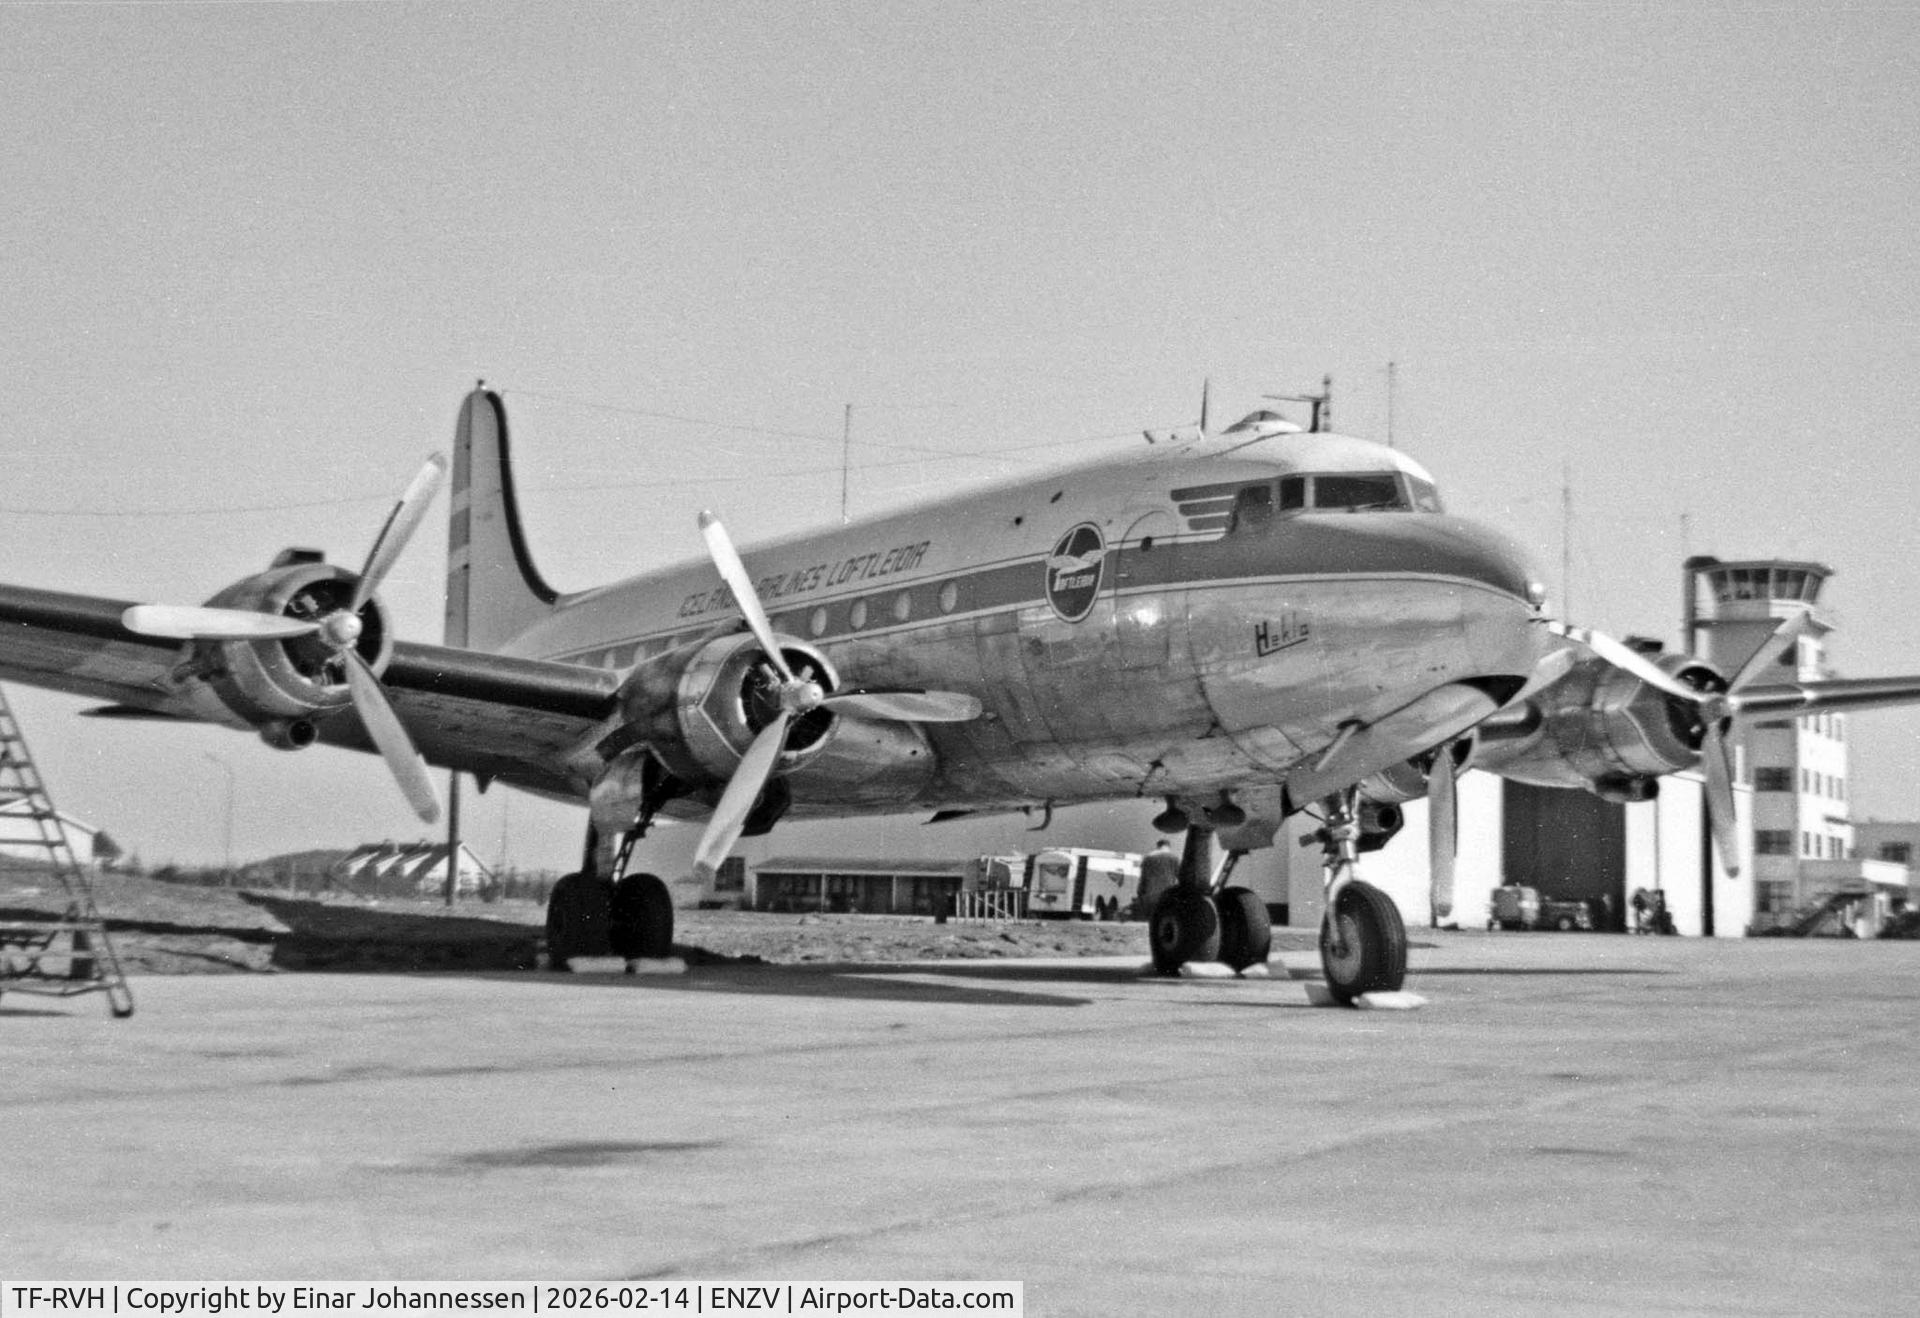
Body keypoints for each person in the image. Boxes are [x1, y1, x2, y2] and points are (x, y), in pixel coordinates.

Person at [1136, 839, 1180, 918]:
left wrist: (1140, 892)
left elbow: (1143, 878)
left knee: (1152, 919)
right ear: (1168, 846)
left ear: (1158, 846)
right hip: (1167, 895)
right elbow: (1180, 877)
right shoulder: (1174, 858)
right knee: (1164, 919)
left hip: (1151, 895)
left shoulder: (1148, 857)